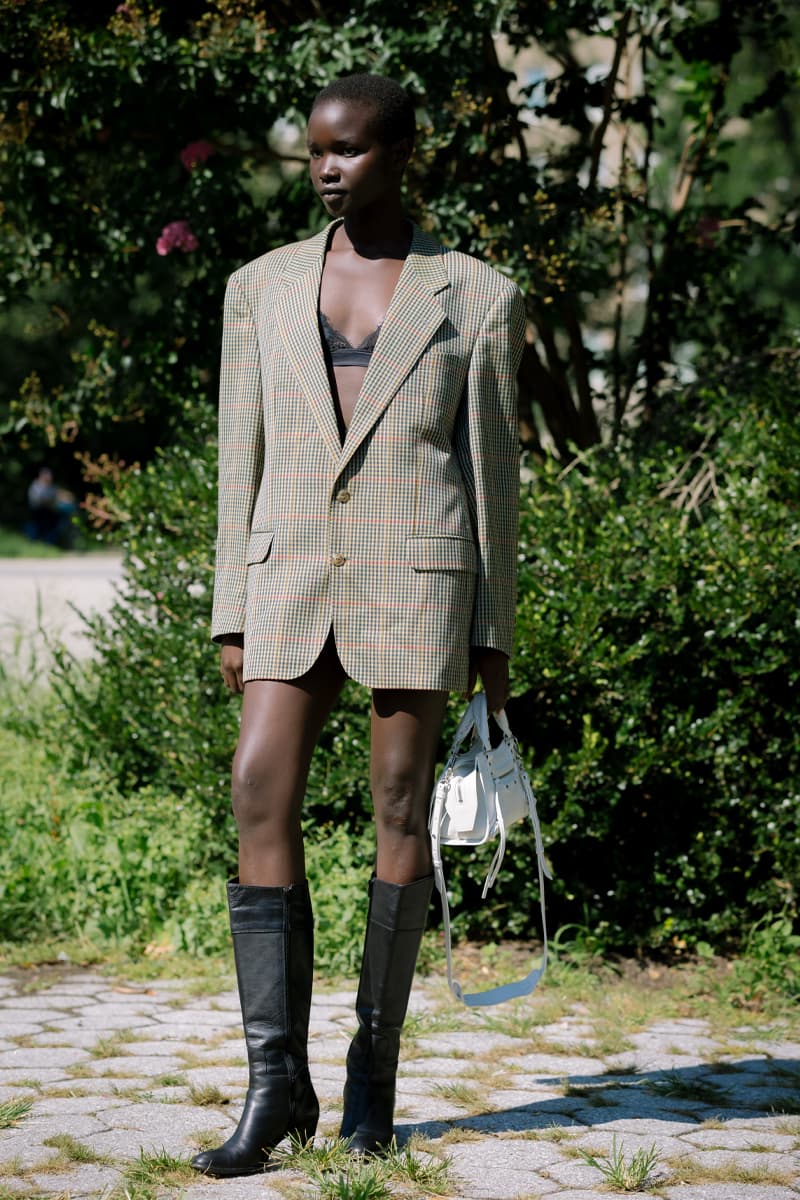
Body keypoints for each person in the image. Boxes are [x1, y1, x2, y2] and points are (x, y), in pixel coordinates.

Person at [193, 73, 525, 1179]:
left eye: (347, 152)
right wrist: (229, 609)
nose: (326, 170)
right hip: (288, 583)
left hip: (415, 581)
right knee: (256, 788)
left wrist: (492, 635)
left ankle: (371, 1083)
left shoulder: (472, 295)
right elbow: (239, 457)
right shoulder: (258, 287)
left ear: (399, 154)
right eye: (313, 155)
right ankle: (272, 1085)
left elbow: (491, 477)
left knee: (396, 809)